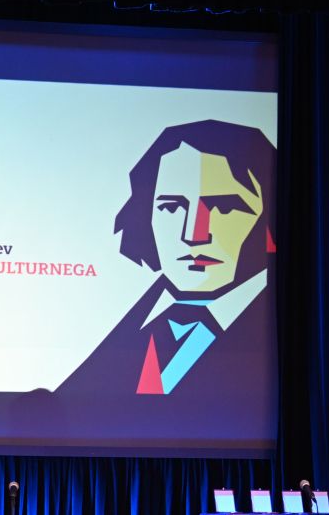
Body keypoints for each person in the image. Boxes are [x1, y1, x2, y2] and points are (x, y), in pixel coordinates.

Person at [58, 119, 277, 399]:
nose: (194, 235)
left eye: (224, 207)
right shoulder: (125, 328)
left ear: (270, 218)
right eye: (172, 208)